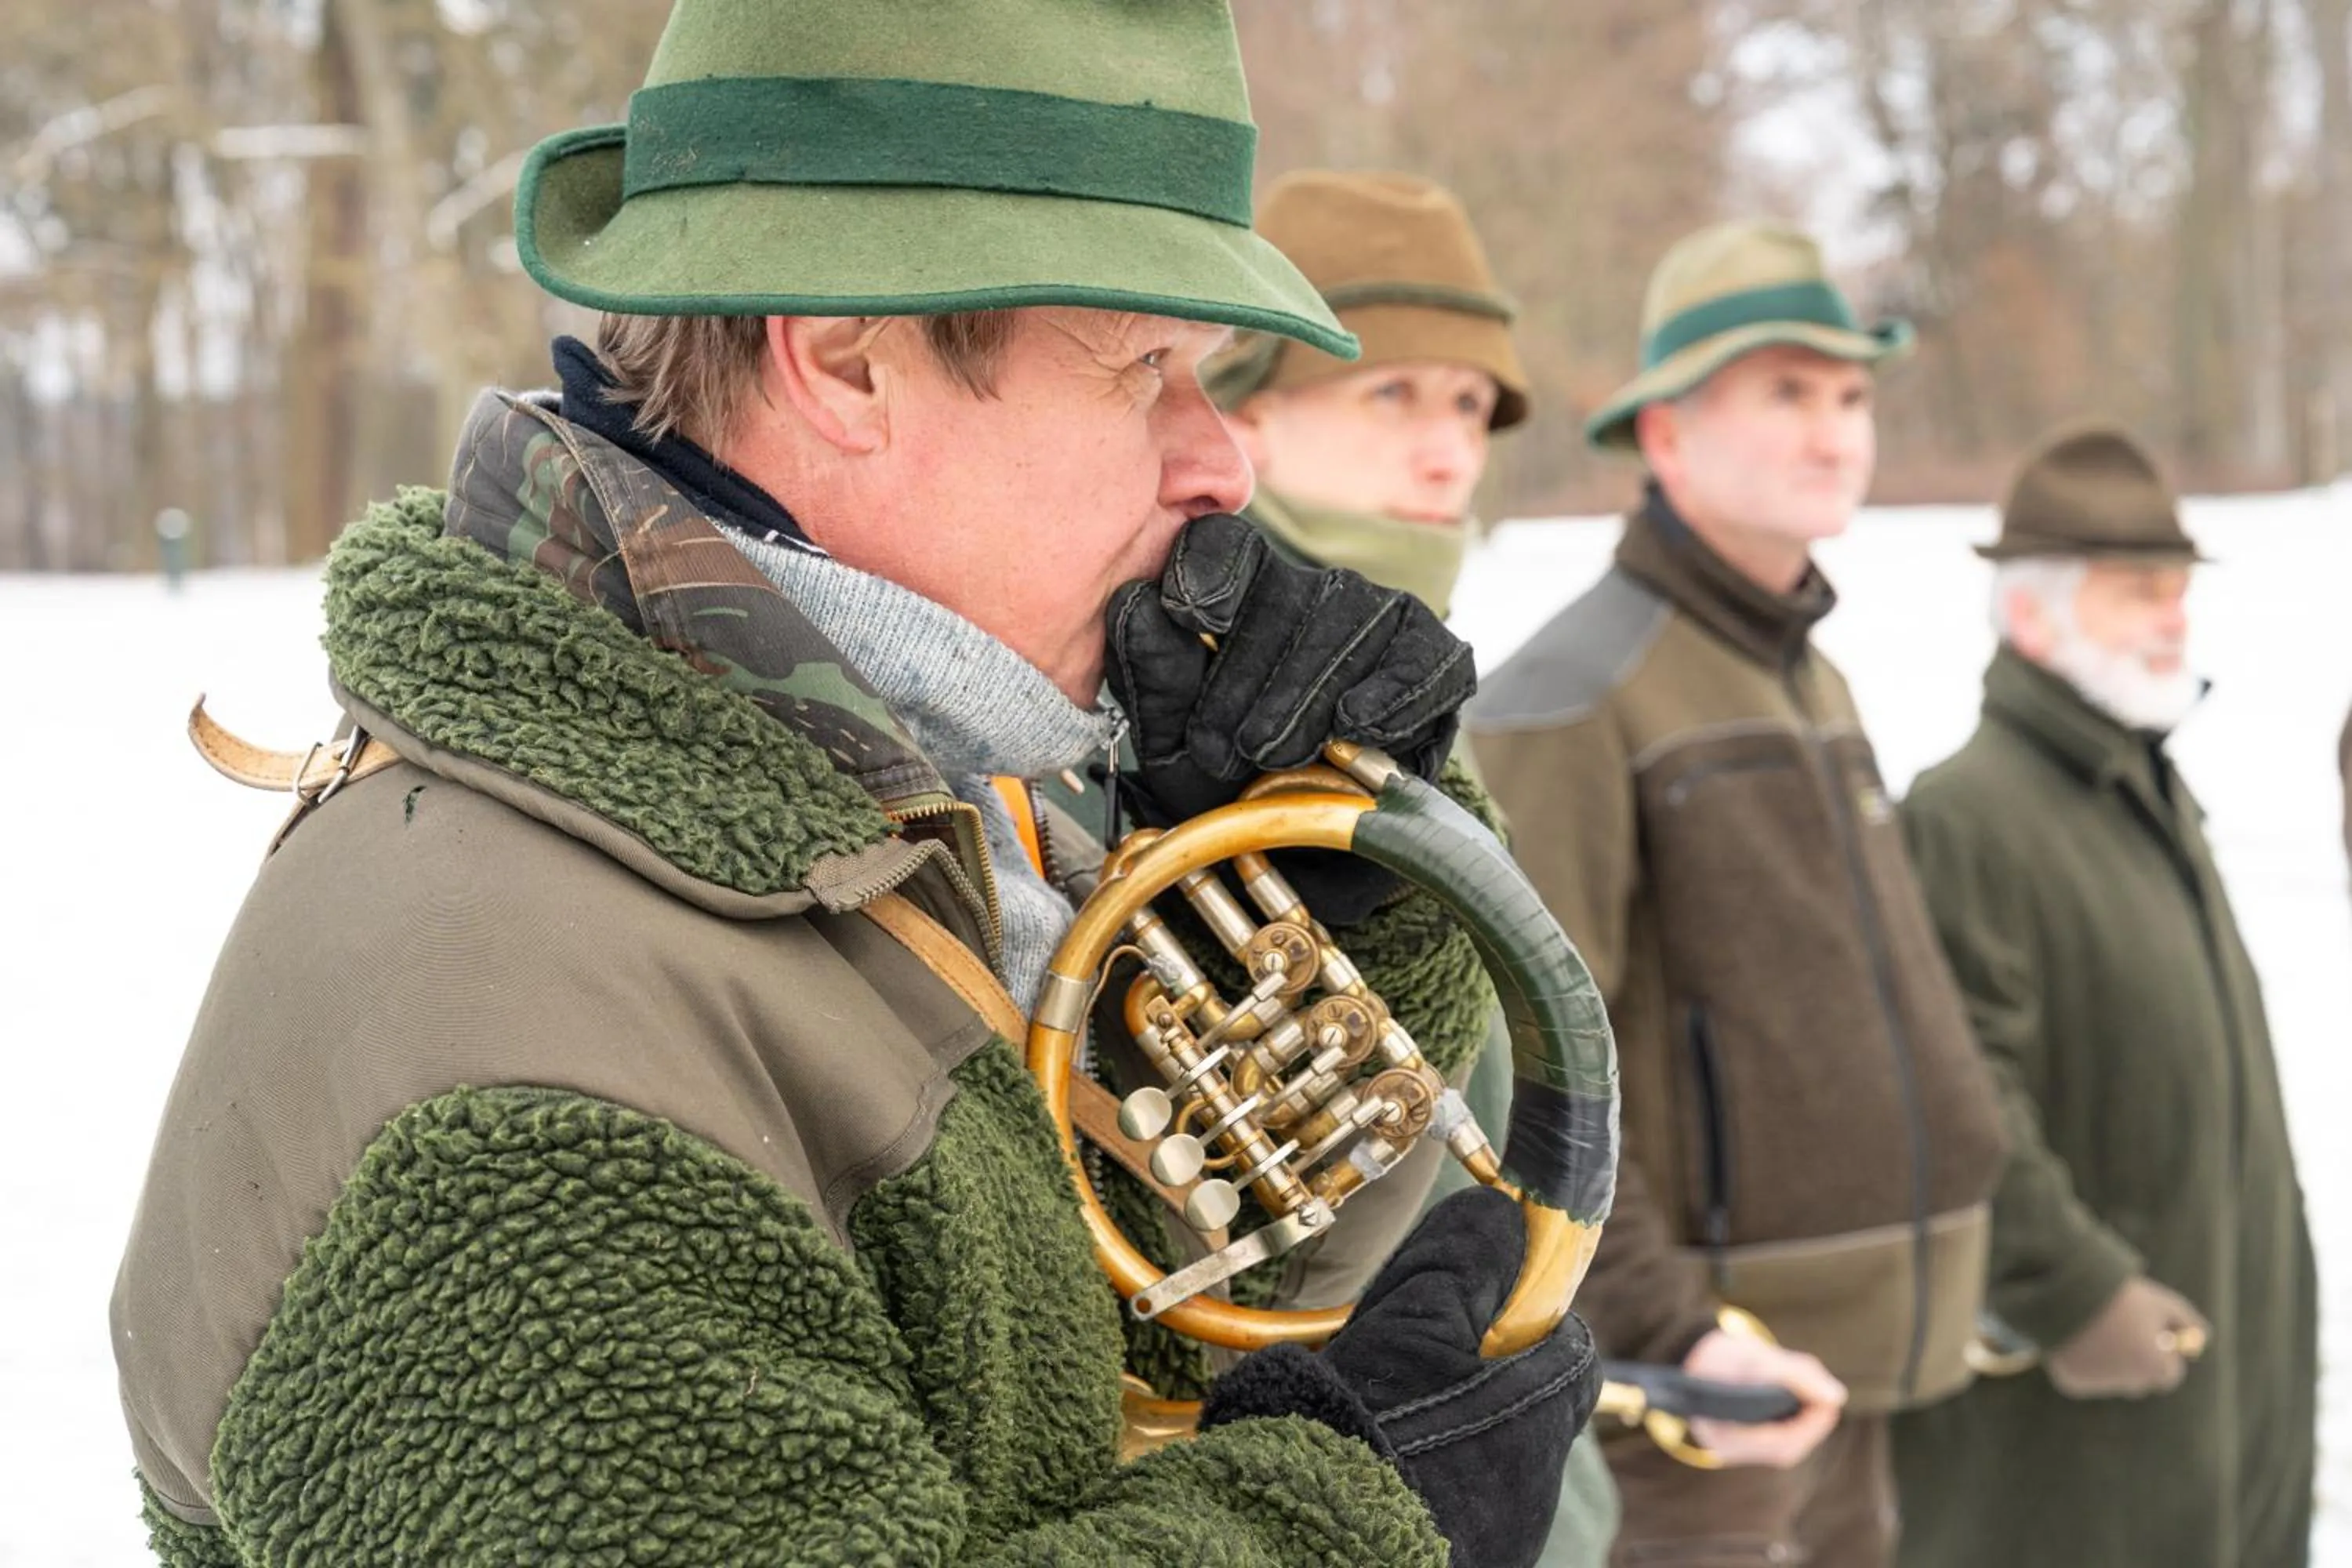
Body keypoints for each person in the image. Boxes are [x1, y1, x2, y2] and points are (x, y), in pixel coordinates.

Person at [107, 5, 1601, 1565]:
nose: (1220, 460)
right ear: (843, 361)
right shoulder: (505, 1063)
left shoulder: (909, 800)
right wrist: (1354, 1519)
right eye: (1146, 367)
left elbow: (1177, 1309)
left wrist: (1331, 905)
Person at [1464, 220, 2006, 1566]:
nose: (1837, 434)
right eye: (1786, 392)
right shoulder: (1574, 692)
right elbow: (1536, 1068)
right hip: (1711, 1404)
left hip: (1851, 1371)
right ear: (1664, 435)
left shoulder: (1813, 676)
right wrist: (1673, 1334)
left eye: (1852, 396)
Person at [1207, 165, 1621, 1566]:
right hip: (1308, 1465)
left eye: (1470, 406)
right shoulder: (1201, 698)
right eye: (1393, 395)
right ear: (1245, 402)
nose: (1448, 447)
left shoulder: (1407, 671)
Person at [1889, 425, 2318, 1568]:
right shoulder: (1970, 813)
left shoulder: (2143, 788)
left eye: (2177, 589)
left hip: (2207, 1396)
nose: (2175, 616)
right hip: (2071, 1441)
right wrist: (2076, 1295)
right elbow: (1959, 1101)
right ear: (2033, 616)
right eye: (2140, 593)